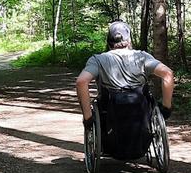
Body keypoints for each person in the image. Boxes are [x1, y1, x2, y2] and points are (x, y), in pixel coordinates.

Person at [75, 21, 174, 159]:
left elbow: (81, 82)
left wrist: (88, 118)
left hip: (110, 112)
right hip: (141, 110)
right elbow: (167, 74)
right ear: (129, 40)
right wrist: (166, 108)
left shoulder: (98, 60)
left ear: (109, 42)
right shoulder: (142, 56)